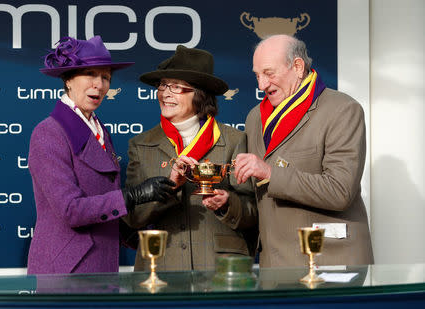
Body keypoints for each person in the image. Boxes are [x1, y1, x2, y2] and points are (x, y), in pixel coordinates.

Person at [27, 36, 176, 274]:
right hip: (68, 269)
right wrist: (134, 195)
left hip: (101, 264)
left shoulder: (99, 129)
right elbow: (71, 210)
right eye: (90, 74)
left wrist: (133, 235)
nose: (99, 84)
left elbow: (102, 200)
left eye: (105, 77)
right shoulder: (48, 132)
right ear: (68, 79)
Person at [234, 34, 374, 267]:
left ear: (298, 67)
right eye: (257, 75)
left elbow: (340, 191)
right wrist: (225, 202)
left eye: (269, 73)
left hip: (327, 261)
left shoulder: (343, 110)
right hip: (273, 265)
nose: (261, 85)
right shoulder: (254, 117)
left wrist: (271, 173)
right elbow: (255, 197)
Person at [123, 45, 258, 271]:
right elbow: (133, 218)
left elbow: (255, 211)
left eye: (175, 87)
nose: (165, 93)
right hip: (162, 265)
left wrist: (227, 204)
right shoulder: (140, 145)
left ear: (199, 93)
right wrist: (171, 187)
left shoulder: (235, 140)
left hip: (222, 267)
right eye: (163, 85)